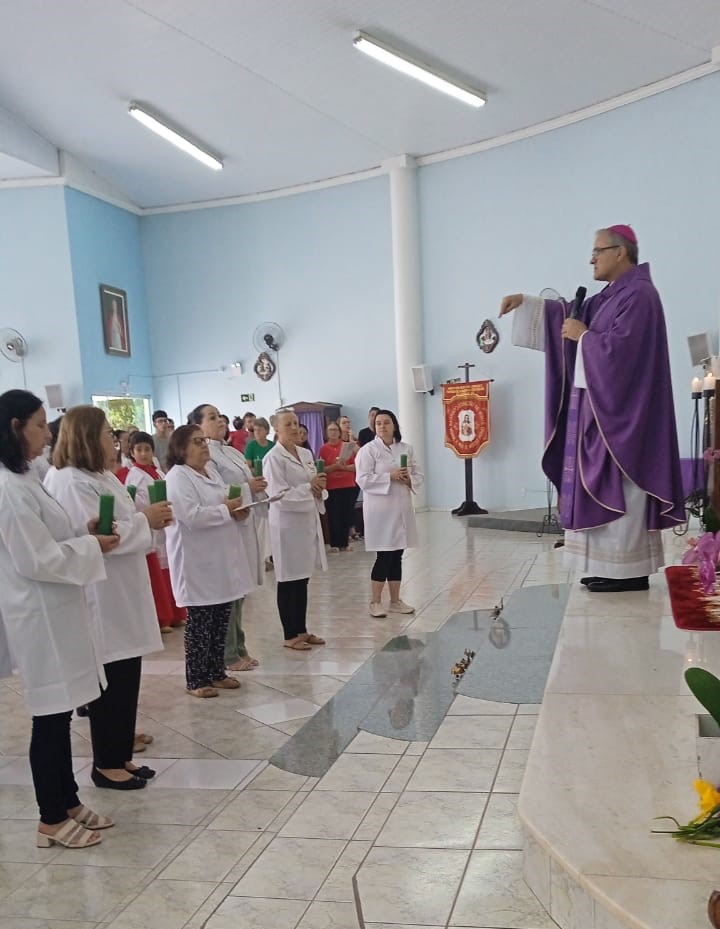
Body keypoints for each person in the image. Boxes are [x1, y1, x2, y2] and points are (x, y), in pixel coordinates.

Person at [500, 224, 684, 592]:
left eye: (598, 251)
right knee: (599, 486)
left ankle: (628, 571)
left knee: (624, 487)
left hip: (623, 416)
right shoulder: (609, 296)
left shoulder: (640, 295)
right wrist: (529, 303)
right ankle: (607, 568)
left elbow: (621, 352)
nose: (592, 258)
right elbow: (568, 314)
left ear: (621, 252)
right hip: (597, 412)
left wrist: (584, 337)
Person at [0, 390, 119, 848]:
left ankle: (68, 799)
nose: (46, 434)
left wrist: (83, 533)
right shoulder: (8, 488)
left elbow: (53, 534)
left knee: (63, 710)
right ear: (14, 428)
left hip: (60, 610)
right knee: (48, 718)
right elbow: (36, 559)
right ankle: (50, 816)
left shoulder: (28, 476)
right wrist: (90, 547)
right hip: (38, 616)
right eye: (37, 425)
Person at [45, 406, 173, 789]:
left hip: (124, 585)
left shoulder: (100, 475)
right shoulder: (69, 480)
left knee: (126, 672)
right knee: (110, 679)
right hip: (101, 590)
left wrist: (148, 519)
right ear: (85, 436)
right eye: (105, 433)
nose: (113, 440)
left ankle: (121, 755)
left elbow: (125, 517)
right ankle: (105, 763)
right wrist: (144, 520)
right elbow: (99, 535)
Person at [164, 424, 256, 697]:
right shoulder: (178, 477)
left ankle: (217, 672)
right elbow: (191, 516)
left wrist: (238, 511)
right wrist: (226, 510)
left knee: (220, 617)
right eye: (196, 441)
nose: (204, 445)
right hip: (196, 561)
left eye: (204, 440)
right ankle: (196, 679)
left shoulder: (211, 472)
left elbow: (227, 500)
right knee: (201, 621)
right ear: (181, 448)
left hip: (221, 557)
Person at [189, 404, 264, 671]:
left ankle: (239, 646)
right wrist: (248, 488)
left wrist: (253, 486)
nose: (220, 421)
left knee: (241, 589)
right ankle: (229, 652)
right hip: (227, 524)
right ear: (198, 425)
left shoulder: (231, 450)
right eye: (212, 418)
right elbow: (218, 491)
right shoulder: (206, 456)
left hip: (242, 522)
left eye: (220, 416)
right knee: (231, 590)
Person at [263, 410, 328, 650]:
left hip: (305, 523)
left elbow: (315, 482)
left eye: (295, 423)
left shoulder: (305, 453)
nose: (293, 428)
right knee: (288, 579)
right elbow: (277, 494)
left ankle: (302, 629)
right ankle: (290, 634)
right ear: (277, 430)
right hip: (286, 525)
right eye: (287, 424)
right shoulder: (273, 458)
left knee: (302, 578)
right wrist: (308, 489)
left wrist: (319, 490)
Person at [355, 409, 424, 617]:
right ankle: (375, 601)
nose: (382, 426)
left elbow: (418, 473)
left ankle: (395, 600)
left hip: (401, 508)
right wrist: (389, 477)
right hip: (380, 512)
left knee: (397, 555)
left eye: (386, 422)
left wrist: (409, 480)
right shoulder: (368, 450)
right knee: (384, 555)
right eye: (378, 423)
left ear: (394, 425)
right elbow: (363, 479)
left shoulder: (406, 448)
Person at [124, 431, 186, 634]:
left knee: (170, 572)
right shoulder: (133, 476)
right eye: (139, 450)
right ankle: (162, 617)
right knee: (158, 575)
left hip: (165, 526)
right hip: (151, 526)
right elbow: (132, 502)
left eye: (147, 449)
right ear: (132, 453)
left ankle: (177, 613)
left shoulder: (158, 472)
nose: (143, 453)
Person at [319, 421, 357, 552]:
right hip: (332, 486)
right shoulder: (323, 449)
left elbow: (356, 466)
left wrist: (344, 467)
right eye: (330, 430)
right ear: (326, 433)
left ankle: (344, 543)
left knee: (346, 514)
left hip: (347, 484)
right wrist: (335, 467)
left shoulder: (347, 446)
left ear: (339, 432)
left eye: (335, 430)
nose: (333, 432)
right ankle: (335, 543)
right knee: (333, 515)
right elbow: (321, 468)